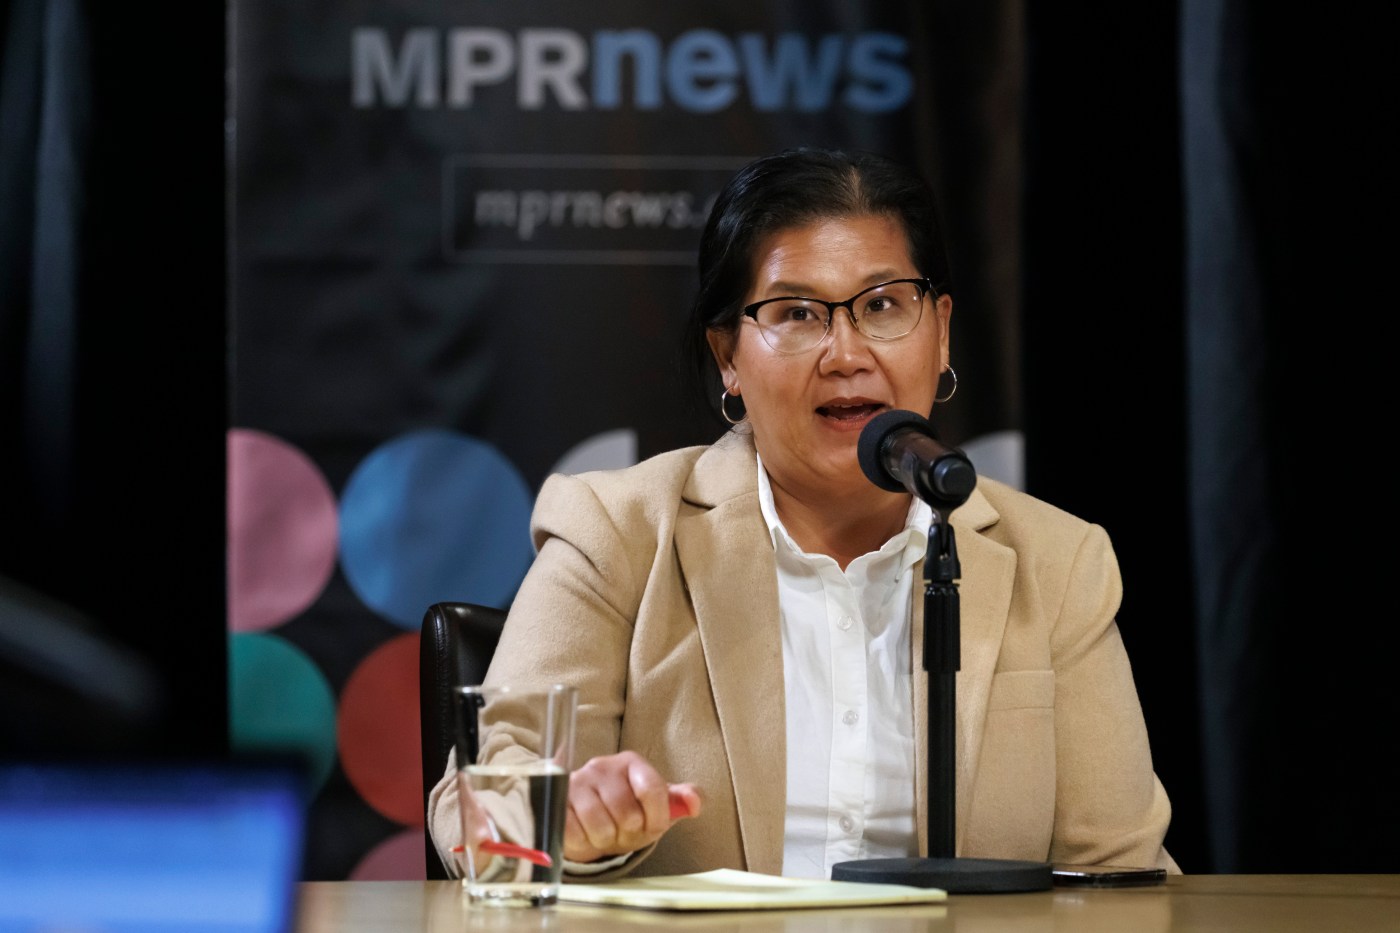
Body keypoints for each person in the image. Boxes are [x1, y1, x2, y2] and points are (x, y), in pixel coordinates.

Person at [428, 146, 1178, 881]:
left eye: (883, 305)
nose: (846, 353)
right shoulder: (617, 533)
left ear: (941, 329)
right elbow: (479, 810)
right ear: (728, 356)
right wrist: (567, 819)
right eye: (796, 313)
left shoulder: (1057, 560)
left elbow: (1120, 874)